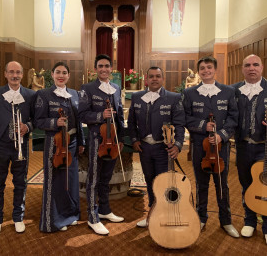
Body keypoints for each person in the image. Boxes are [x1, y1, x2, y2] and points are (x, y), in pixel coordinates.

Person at [182, 56, 239, 238]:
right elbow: (185, 117)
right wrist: (202, 125)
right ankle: (201, 217)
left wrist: (221, 135)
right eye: (202, 68)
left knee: (222, 185)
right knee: (201, 184)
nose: (206, 71)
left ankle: (226, 221)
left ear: (215, 70)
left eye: (209, 67)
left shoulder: (228, 92)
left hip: (221, 147)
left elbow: (233, 117)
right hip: (200, 146)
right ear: (198, 72)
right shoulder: (190, 93)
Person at [127, 66, 185, 227]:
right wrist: (134, 140)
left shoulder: (174, 98)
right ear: (146, 79)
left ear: (163, 79)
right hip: (144, 148)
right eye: (151, 76)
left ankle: (164, 216)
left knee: (162, 183)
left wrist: (178, 145)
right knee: (149, 180)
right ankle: (152, 214)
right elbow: (131, 121)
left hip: (163, 148)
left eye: (158, 76)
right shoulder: (137, 97)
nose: (154, 79)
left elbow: (179, 124)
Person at [0, 61, 36, 237]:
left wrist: (27, 127)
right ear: (6, 74)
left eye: (18, 72)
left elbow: (36, 119)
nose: (15, 75)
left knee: (20, 182)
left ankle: (18, 217)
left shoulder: (30, 94)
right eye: (11, 72)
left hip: (20, 145)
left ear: (22, 75)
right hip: (0, 145)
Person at [34, 62, 85, 232]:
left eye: (64, 73)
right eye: (58, 72)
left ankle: (70, 215)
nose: (61, 75)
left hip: (72, 141)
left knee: (70, 181)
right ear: (52, 74)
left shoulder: (75, 94)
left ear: (69, 76)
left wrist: (81, 142)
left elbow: (78, 121)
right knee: (55, 181)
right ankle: (54, 220)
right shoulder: (44, 94)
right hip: (55, 143)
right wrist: (55, 122)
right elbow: (38, 121)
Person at [78, 54, 125, 235]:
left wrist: (120, 139)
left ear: (111, 69)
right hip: (97, 140)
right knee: (94, 178)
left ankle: (105, 210)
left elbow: (119, 115)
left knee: (106, 177)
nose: (104, 69)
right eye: (100, 66)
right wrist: (100, 116)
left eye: (107, 66)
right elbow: (82, 115)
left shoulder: (116, 87)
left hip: (112, 141)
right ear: (95, 69)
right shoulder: (87, 88)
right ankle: (92, 216)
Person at [232, 54, 267, 244]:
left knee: (266, 185)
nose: (251, 68)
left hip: (264, 147)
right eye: (247, 65)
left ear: (261, 67)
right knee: (246, 184)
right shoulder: (233, 90)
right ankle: (250, 221)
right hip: (243, 146)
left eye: (255, 65)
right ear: (242, 69)